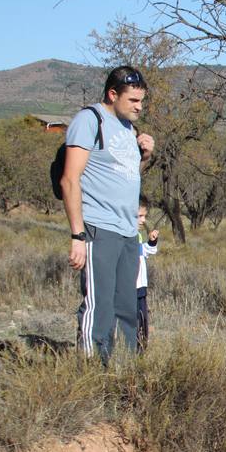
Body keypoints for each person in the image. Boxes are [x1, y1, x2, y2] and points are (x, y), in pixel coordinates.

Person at [61, 66, 155, 363]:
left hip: (128, 231)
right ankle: (92, 374)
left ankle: (124, 371)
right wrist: (78, 235)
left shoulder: (128, 128)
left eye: (142, 101)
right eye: (133, 101)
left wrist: (145, 156)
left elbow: (126, 175)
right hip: (98, 227)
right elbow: (70, 180)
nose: (139, 107)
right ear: (112, 94)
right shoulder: (89, 121)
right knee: (99, 306)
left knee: (127, 307)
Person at [135, 196, 160, 350]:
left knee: (142, 323)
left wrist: (151, 241)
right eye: (139, 216)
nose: (143, 220)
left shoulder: (137, 236)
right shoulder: (124, 237)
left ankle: (140, 354)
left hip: (141, 286)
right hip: (129, 287)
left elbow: (146, 251)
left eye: (145, 216)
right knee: (133, 323)